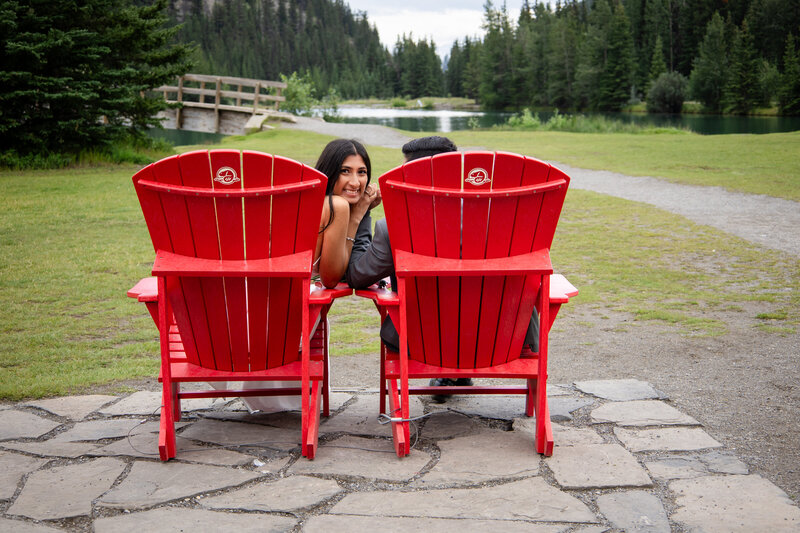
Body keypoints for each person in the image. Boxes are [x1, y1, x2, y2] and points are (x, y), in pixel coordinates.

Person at [346, 136, 539, 403]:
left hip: (425, 343)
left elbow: (356, 275)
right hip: (504, 340)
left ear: (414, 176)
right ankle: (455, 373)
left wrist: (362, 213)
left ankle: (450, 369)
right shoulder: (510, 222)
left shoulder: (394, 227)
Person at [216, 139, 378, 413]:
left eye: (361, 172)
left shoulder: (308, 201)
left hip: (242, 310)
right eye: (345, 171)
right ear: (329, 173)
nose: (355, 181)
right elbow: (331, 276)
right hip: (281, 319)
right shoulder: (336, 206)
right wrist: (358, 214)